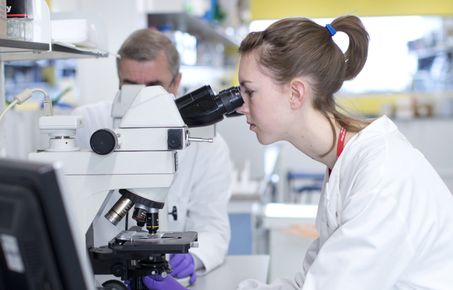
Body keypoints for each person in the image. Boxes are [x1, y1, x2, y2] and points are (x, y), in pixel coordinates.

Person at [232, 15, 453, 290]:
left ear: (295, 93)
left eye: (249, 92)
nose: (240, 107)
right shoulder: (344, 164)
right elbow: (309, 283)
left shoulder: (380, 175)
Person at [72, 28, 232, 288]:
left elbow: (214, 227)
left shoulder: (207, 145)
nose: (142, 100)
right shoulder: (87, 125)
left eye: (153, 88)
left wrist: (192, 259)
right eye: (131, 87)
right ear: (118, 82)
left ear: (176, 82)